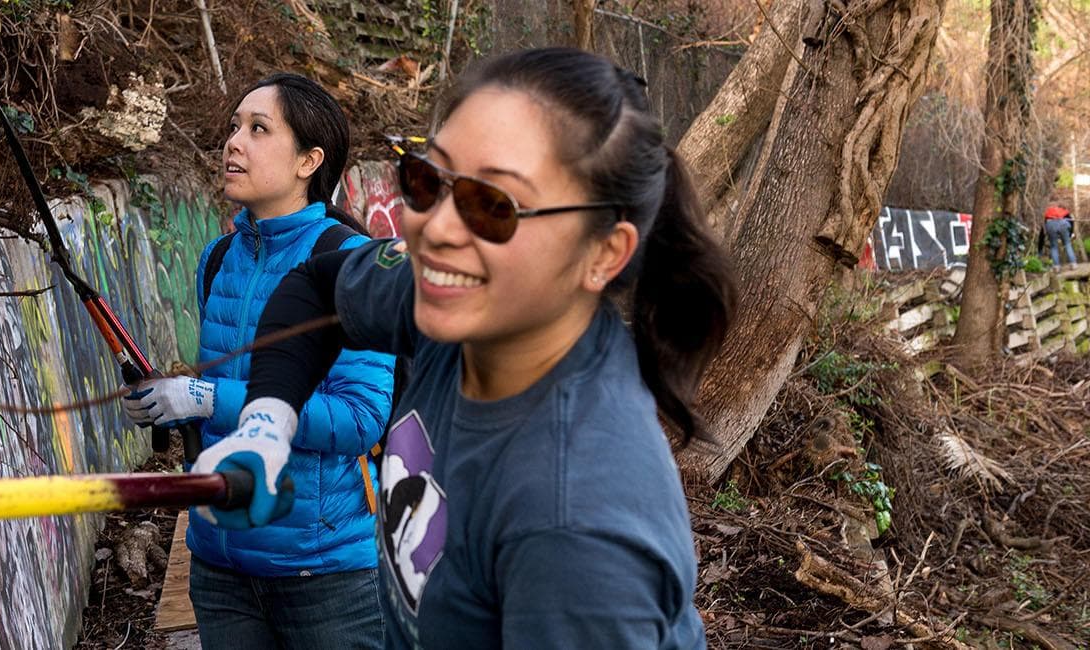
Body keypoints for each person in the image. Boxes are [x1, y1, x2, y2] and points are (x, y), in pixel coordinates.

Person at [190, 48, 737, 648]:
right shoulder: (461, 301)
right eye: (429, 180)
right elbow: (319, 287)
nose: (436, 228)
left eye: (493, 206)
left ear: (604, 253)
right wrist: (267, 424)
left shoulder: (574, 524)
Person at [122, 73, 394, 649]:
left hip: (322, 571)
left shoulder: (350, 267)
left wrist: (210, 398)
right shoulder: (218, 258)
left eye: (259, 129)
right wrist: (171, 406)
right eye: (234, 126)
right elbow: (222, 398)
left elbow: (359, 419)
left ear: (308, 161)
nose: (233, 142)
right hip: (219, 563)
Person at [1044, 203, 1077, 267]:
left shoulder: (1049, 212)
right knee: (1067, 244)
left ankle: (1056, 267)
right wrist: (1071, 234)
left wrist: (1049, 236)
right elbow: (1071, 222)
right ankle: (1073, 264)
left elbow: (1046, 224)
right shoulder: (1065, 212)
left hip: (1050, 225)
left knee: (1054, 247)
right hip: (1063, 225)